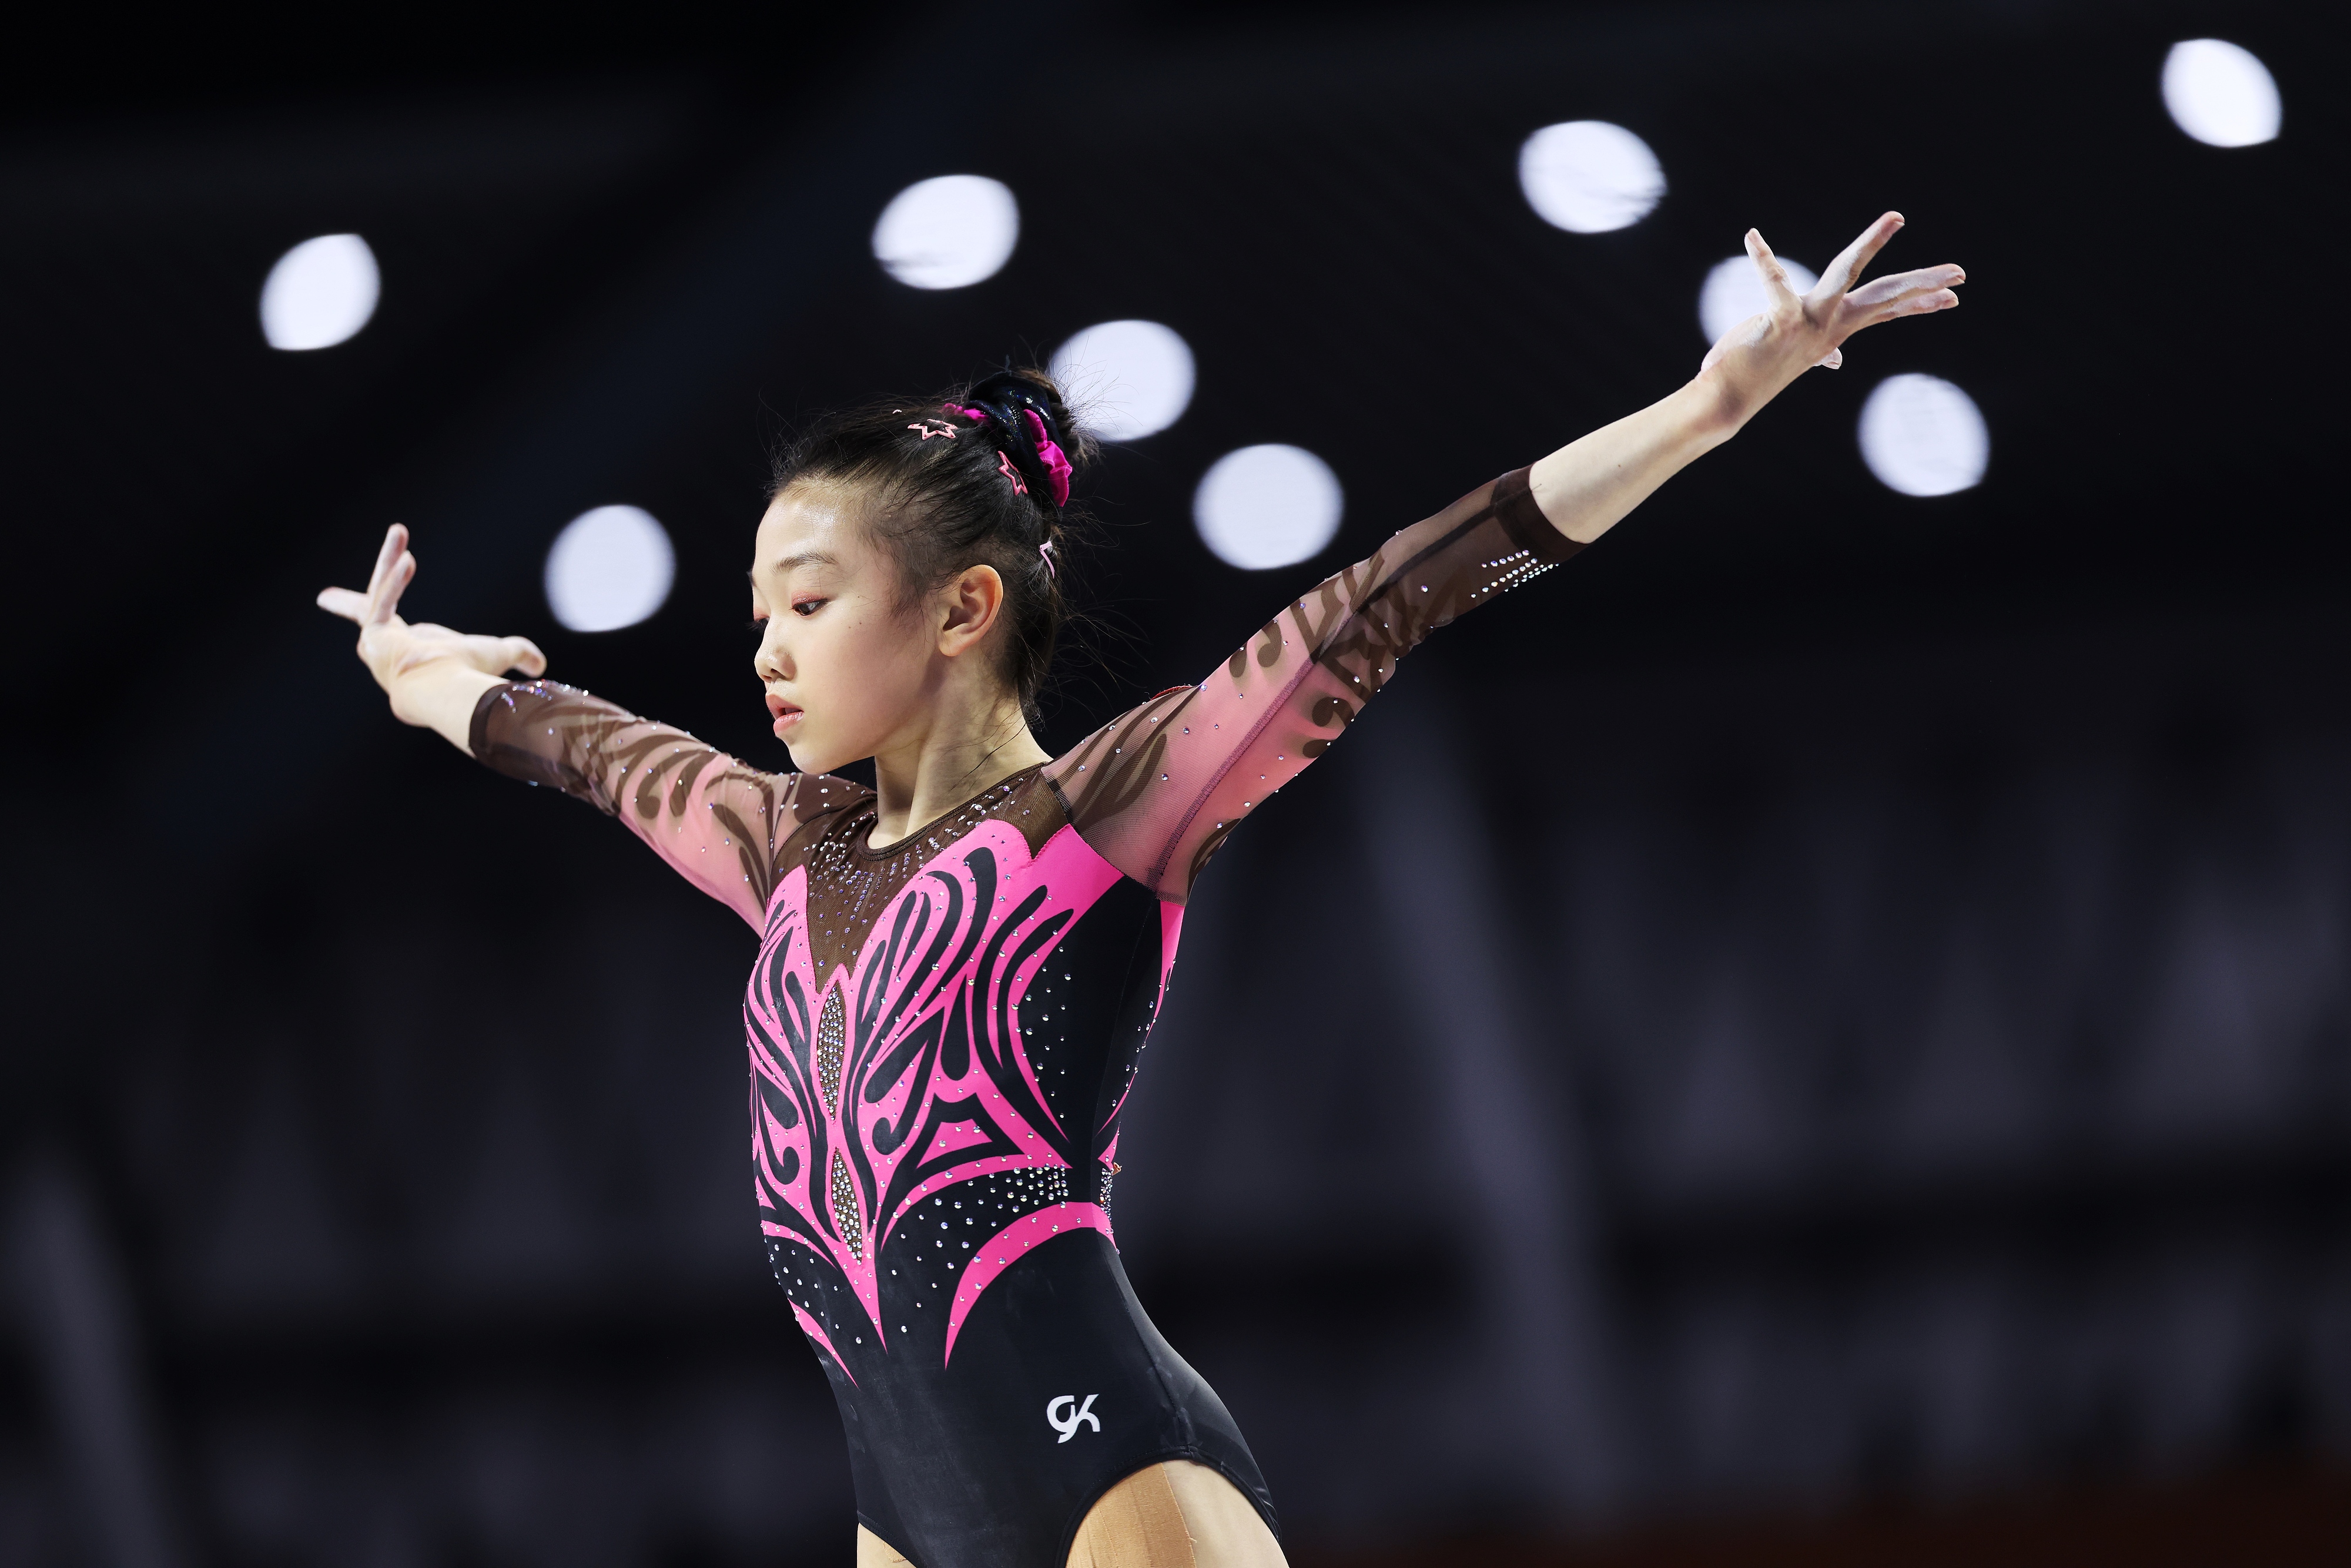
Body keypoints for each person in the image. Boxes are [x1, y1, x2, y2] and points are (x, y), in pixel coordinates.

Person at [320, 214, 1961, 1568]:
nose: (765, 645)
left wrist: (1710, 407)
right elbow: (584, 746)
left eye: (807, 599)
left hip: (1121, 1485)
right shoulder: (779, 848)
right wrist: (415, 667)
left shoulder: (1103, 810)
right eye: (760, 606)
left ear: (963, 608)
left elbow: (1398, 593)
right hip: (907, 1508)